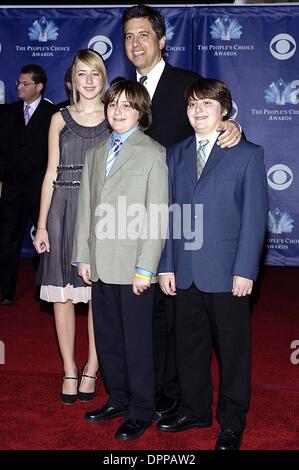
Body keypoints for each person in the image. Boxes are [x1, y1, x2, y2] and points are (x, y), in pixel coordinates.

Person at [122, 3, 243, 419]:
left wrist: (233, 126)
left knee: (176, 311)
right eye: (128, 36)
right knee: (145, 309)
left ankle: (175, 393)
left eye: (143, 34)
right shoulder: (124, 92)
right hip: (127, 219)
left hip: (177, 222)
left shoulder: (189, 84)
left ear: (161, 39)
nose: (135, 43)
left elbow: (217, 120)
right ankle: (150, 389)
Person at [157, 77, 268, 450]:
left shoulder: (248, 153)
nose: (198, 110)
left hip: (227, 272)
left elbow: (254, 219)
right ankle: (195, 410)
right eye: (192, 104)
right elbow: (169, 216)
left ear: (224, 110)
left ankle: (232, 422)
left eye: (206, 104)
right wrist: (167, 265)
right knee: (189, 347)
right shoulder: (175, 154)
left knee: (234, 352)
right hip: (185, 271)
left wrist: (245, 270)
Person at [72, 80, 168, 440]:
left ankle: (141, 409)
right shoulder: (95, 152)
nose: (118, 111)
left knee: (138, 341)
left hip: (134, 269)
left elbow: (156, 215)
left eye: (128, 106)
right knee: (109, 338)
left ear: (142, 112)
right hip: (99, 264)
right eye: (113, 104)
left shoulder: (152, 152)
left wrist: (146, 269)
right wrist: (82, 255)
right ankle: (119, 398)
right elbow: (85, 208)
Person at [34, 50, 109, 404]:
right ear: (73, 80)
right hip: (62, 209)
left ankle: (92, 367)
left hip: (99, 211)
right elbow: (50, 172)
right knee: (62, 295)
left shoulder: (115, 115)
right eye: (82, 74)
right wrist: (42, 225)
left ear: (103, 77)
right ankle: (69, 368)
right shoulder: (58, 118)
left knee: (97, 296)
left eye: (95, 73)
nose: (89, 80)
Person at [0, 64, 56, 305]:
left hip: (39, 189)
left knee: (45, 242)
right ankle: (6, 292)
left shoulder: (52, 114)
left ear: (39, 86)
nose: (19, 87)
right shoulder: (8, 112)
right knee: (6, 240)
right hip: (12, 188)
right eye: (18, 83)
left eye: (25, 84)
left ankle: (46, 290)